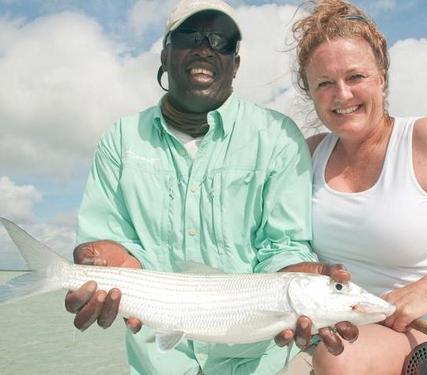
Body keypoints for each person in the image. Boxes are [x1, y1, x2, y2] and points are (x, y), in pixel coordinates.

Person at [64, 0, 357, 374]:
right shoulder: (120, 139)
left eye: (222, 41)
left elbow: (283, 245)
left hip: (259, 360)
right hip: (156, 357)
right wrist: (103, 259)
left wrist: (303, 286)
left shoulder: (278, 137)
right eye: (190, 35)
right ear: (164, 54)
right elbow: (108, 238)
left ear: (235, 64)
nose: (205, 47)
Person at [291, 0, 427, 374]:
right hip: (339, 331)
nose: (342, 94)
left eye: (356, 77)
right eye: (325, 83)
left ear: (381, 78)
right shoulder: (308, 155)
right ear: (309, 92)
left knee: (341, 361)